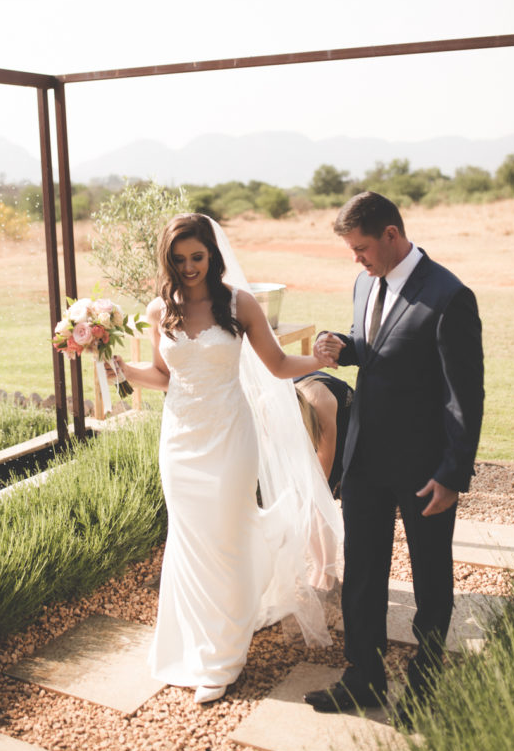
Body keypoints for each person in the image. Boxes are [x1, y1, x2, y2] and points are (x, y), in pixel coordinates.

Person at [106, 213, 342, 705]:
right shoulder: (159, 310)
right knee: (190, 541)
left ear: (211, 254)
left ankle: (221, 658)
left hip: (231, 437)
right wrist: (122, 369)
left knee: (227, 538)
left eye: (197, 256)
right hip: (180, 440)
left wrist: (319, 361)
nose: (189, 266)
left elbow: (277, 365)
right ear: (167, 260)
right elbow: (163, 376)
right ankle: (190, 644)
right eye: (179, 258)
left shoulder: (239, 303)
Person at [304, 192, 484, 724]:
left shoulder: (451, 296)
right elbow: (375, 344)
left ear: (390, 234)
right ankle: (364, 677)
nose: (356, 259)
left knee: (430, 579)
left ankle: (426, 685)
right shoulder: (365, 282)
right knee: (362, 573)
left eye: (361, 248)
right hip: (365, 459)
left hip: (426, 466)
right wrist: (345, 344)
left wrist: (453, 473)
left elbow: (464, 396)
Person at [293, 371, 353, 497]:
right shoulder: (267, 405)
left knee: (324, 487)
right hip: (312, 415)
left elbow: (323, 468)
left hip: (346, 416)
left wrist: (314, 499)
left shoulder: (319, 401)